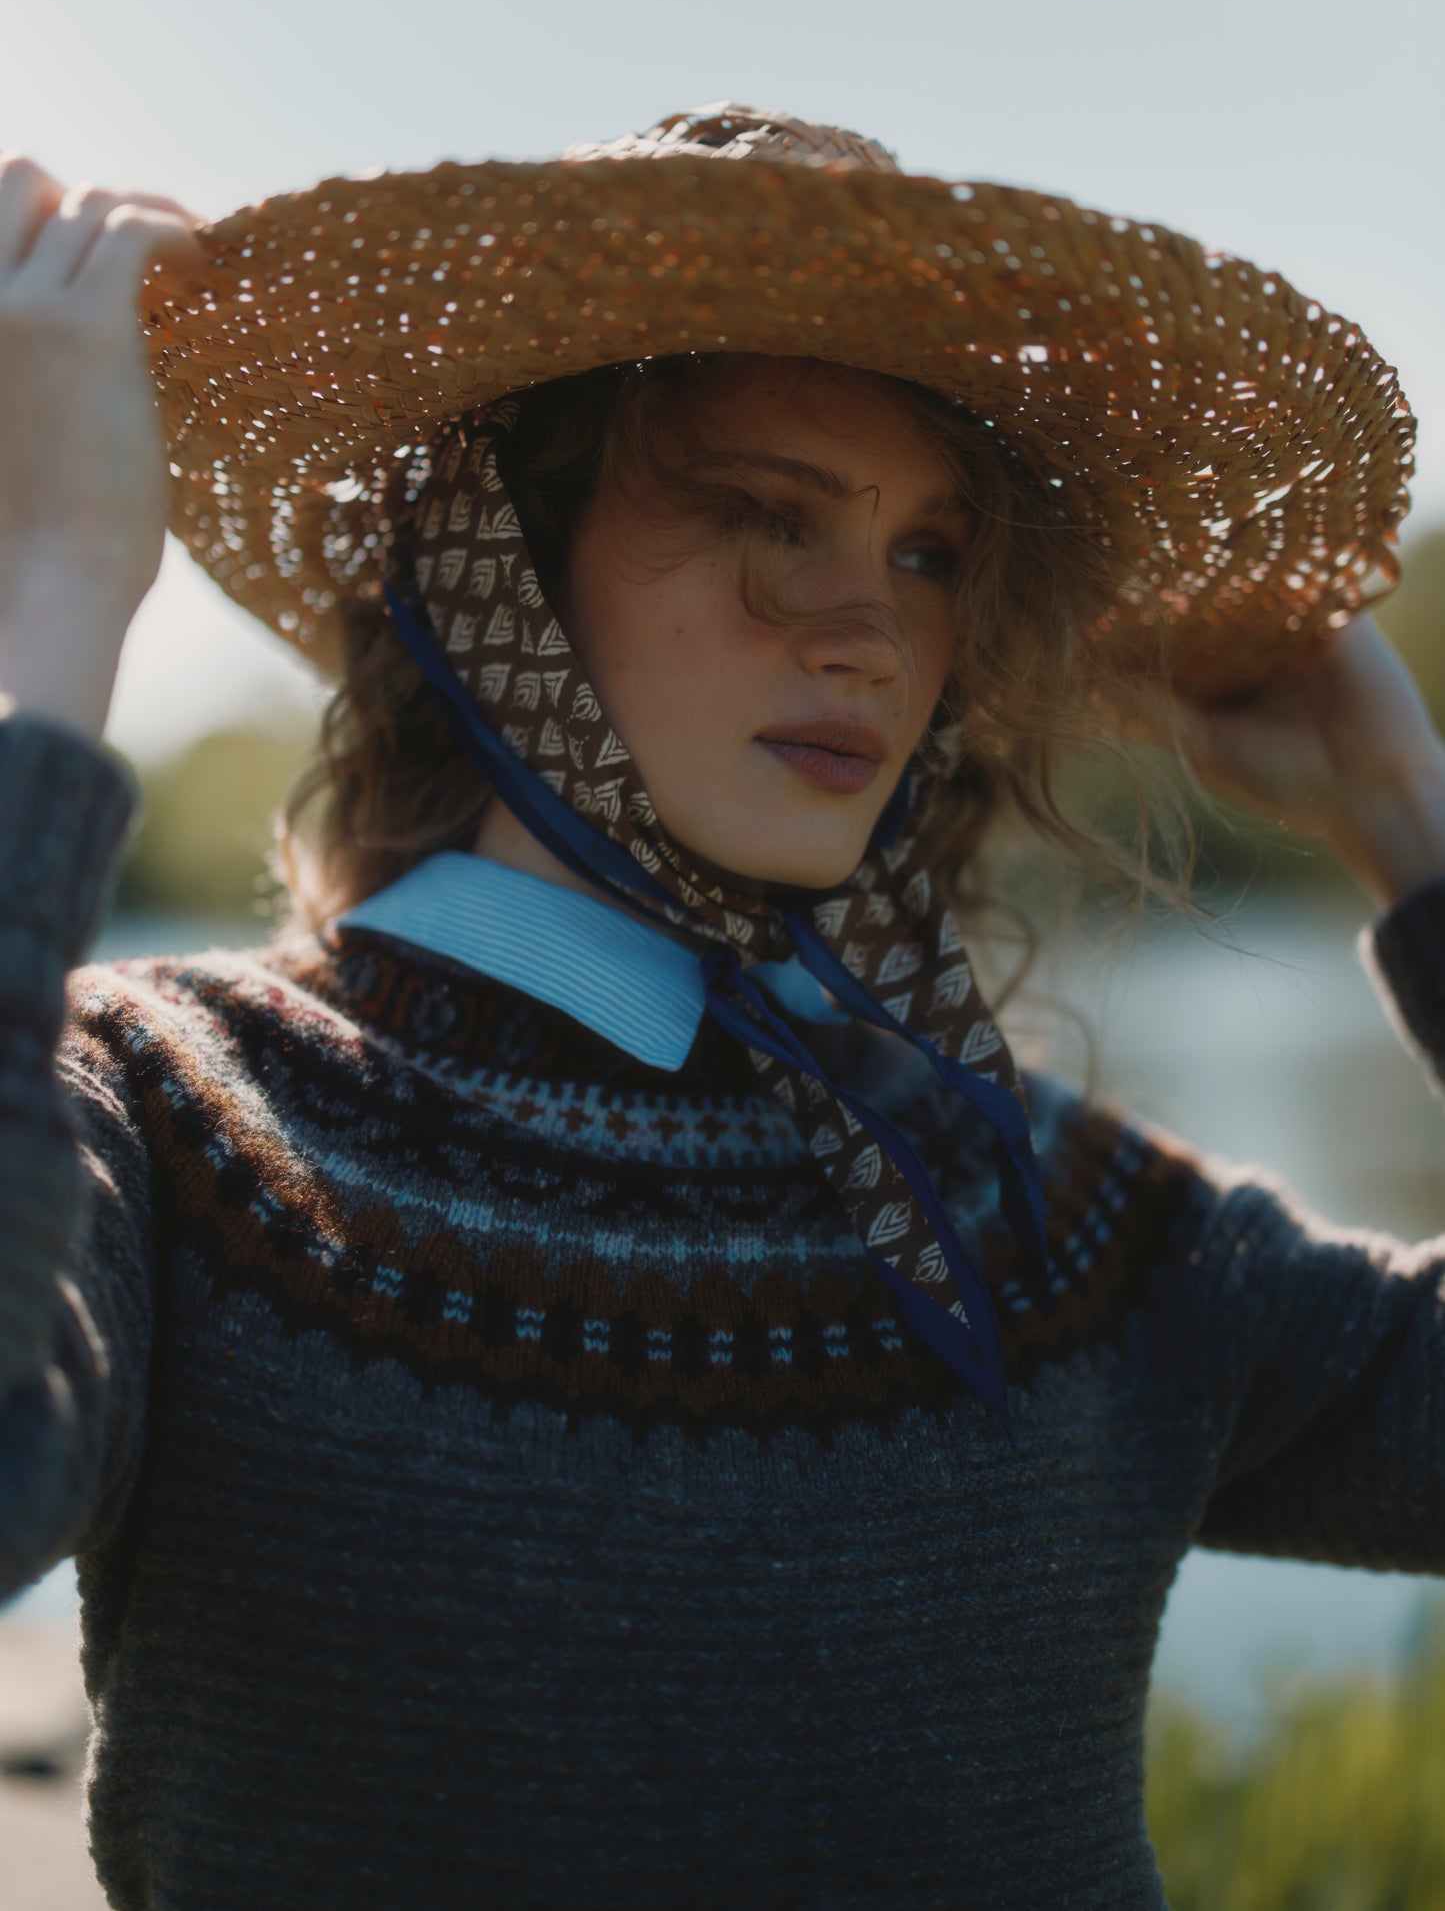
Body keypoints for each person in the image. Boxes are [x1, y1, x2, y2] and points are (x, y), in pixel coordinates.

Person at [0, 104, 1441, 1910]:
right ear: (491, 557)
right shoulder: (174, 1112)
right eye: (767, 516)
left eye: (929, 551)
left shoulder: (1039, 1207)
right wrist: (51, 605)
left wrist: (1410, 822)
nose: (868, 633)